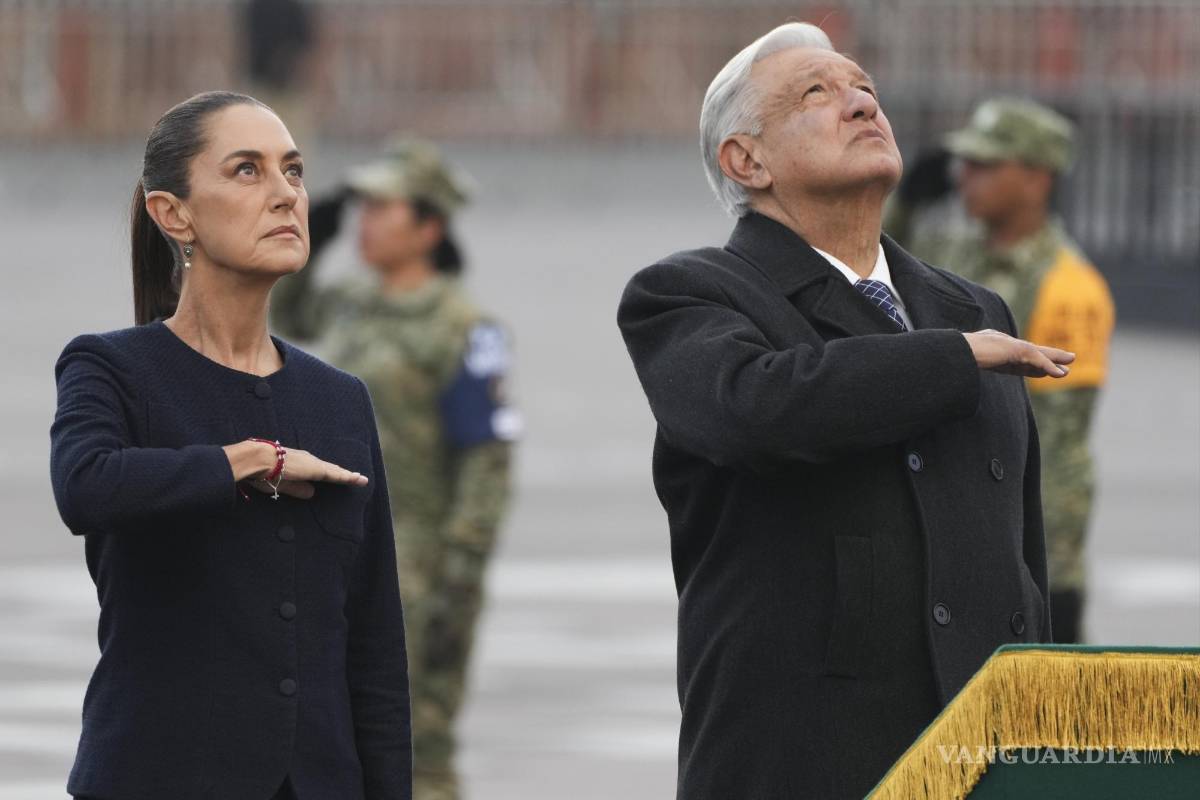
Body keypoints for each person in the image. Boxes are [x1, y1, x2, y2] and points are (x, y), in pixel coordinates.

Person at [616, 23, 1077, 799]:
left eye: (864, 86)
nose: (861, 103)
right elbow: (760, 407)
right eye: (816, 94)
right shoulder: (691, 296)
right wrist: (952, 357)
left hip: (981, 755)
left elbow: (1019, 553)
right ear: (747, 160)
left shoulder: (969, 306)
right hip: (808, 761)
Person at [49, 91, 411, 800]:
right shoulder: (112, 368)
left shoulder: (340, 400)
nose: (285, 195)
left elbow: (374, 650)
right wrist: (252, 462)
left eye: (294, 171)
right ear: (172, 213)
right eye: (248, 171)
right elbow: (84, 484)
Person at [271, 137, 517, 800]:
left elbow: (486, 463)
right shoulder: (353, 301)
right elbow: (288, 316)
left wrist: (458, 579)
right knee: (325, 737)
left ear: (429, 227)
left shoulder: (465, 327)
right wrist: (311, 244)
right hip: (334, 550)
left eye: (385, 209)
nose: (367, 224)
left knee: (414, 750)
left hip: (418, 567)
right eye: (363, 209)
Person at [887, 99, 1116, 643]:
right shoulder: (951, 253)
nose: (965, 176)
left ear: (1037, 178)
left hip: (1023, 550)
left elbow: (1055, 445)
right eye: (965, 162)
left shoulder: (1069, 285)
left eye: (987, 165)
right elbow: (868, 265)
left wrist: (1045, 566)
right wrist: (905, 205)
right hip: (950, 529)